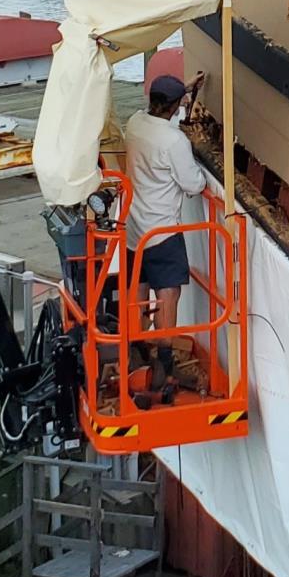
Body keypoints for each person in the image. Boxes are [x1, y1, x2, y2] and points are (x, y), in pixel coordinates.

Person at [121, 71, 206, 403]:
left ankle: (136, 348)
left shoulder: (135, 123)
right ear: (174, 107)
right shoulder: (174, 142)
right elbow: (193, 184)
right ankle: (165, 362)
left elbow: (162, 113)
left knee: (138, 290)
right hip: (162, 231)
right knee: (168, 295)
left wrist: (185, 92)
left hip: (133, 228)